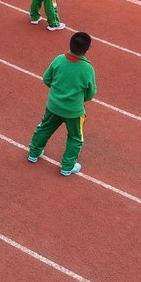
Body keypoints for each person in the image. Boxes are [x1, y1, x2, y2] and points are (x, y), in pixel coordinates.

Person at [27, 32, 97, 176]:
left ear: (70, 44)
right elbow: (90, 93)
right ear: (87, 48)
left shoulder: (59, 60)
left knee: (44, 128)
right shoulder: (87, 68)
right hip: (74, 111)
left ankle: (34, 153)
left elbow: (47, 78)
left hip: (53, 106)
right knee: (75, 137)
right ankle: (67, 166)